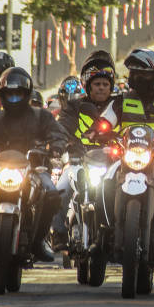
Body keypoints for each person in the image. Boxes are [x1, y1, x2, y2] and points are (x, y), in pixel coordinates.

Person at [0, 67, 67, 262]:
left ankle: (38, 241)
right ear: (2, 95)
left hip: (34, 169)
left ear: (27, 94)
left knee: (52, 194)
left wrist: (56, 145)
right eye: (9, 93)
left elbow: (57, 132)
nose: (14, 97)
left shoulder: (41, 116)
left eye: (18, 93)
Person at [101, 48, 154, 267]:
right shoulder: (121, 101)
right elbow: (105, 120)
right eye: (135, 74)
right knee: (101, 183)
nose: (139, 79)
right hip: (126, 160)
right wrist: (100, 130)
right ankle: (102, 234)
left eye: (145, 74)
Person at [51, 51, 117, 250]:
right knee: (59, 191)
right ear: (88, 86)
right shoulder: (74, 106)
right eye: (97, 84)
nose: (101, 88)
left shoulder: (119, 105)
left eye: (105, 84)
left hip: (112, 165)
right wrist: (58, 142)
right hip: (78, 163)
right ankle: (59, 234)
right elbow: (63, 127)